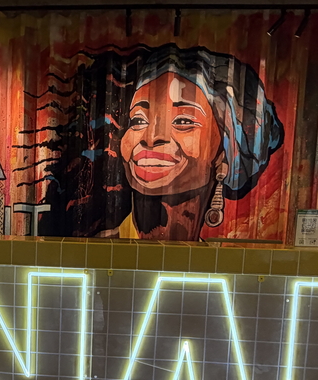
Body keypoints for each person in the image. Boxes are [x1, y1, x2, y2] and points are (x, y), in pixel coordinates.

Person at [110, 45, 283, 240]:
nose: (151, 138)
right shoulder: (104, 247)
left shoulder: (221, 253)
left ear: (227, 149)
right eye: (138, 120)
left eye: (183, 121)